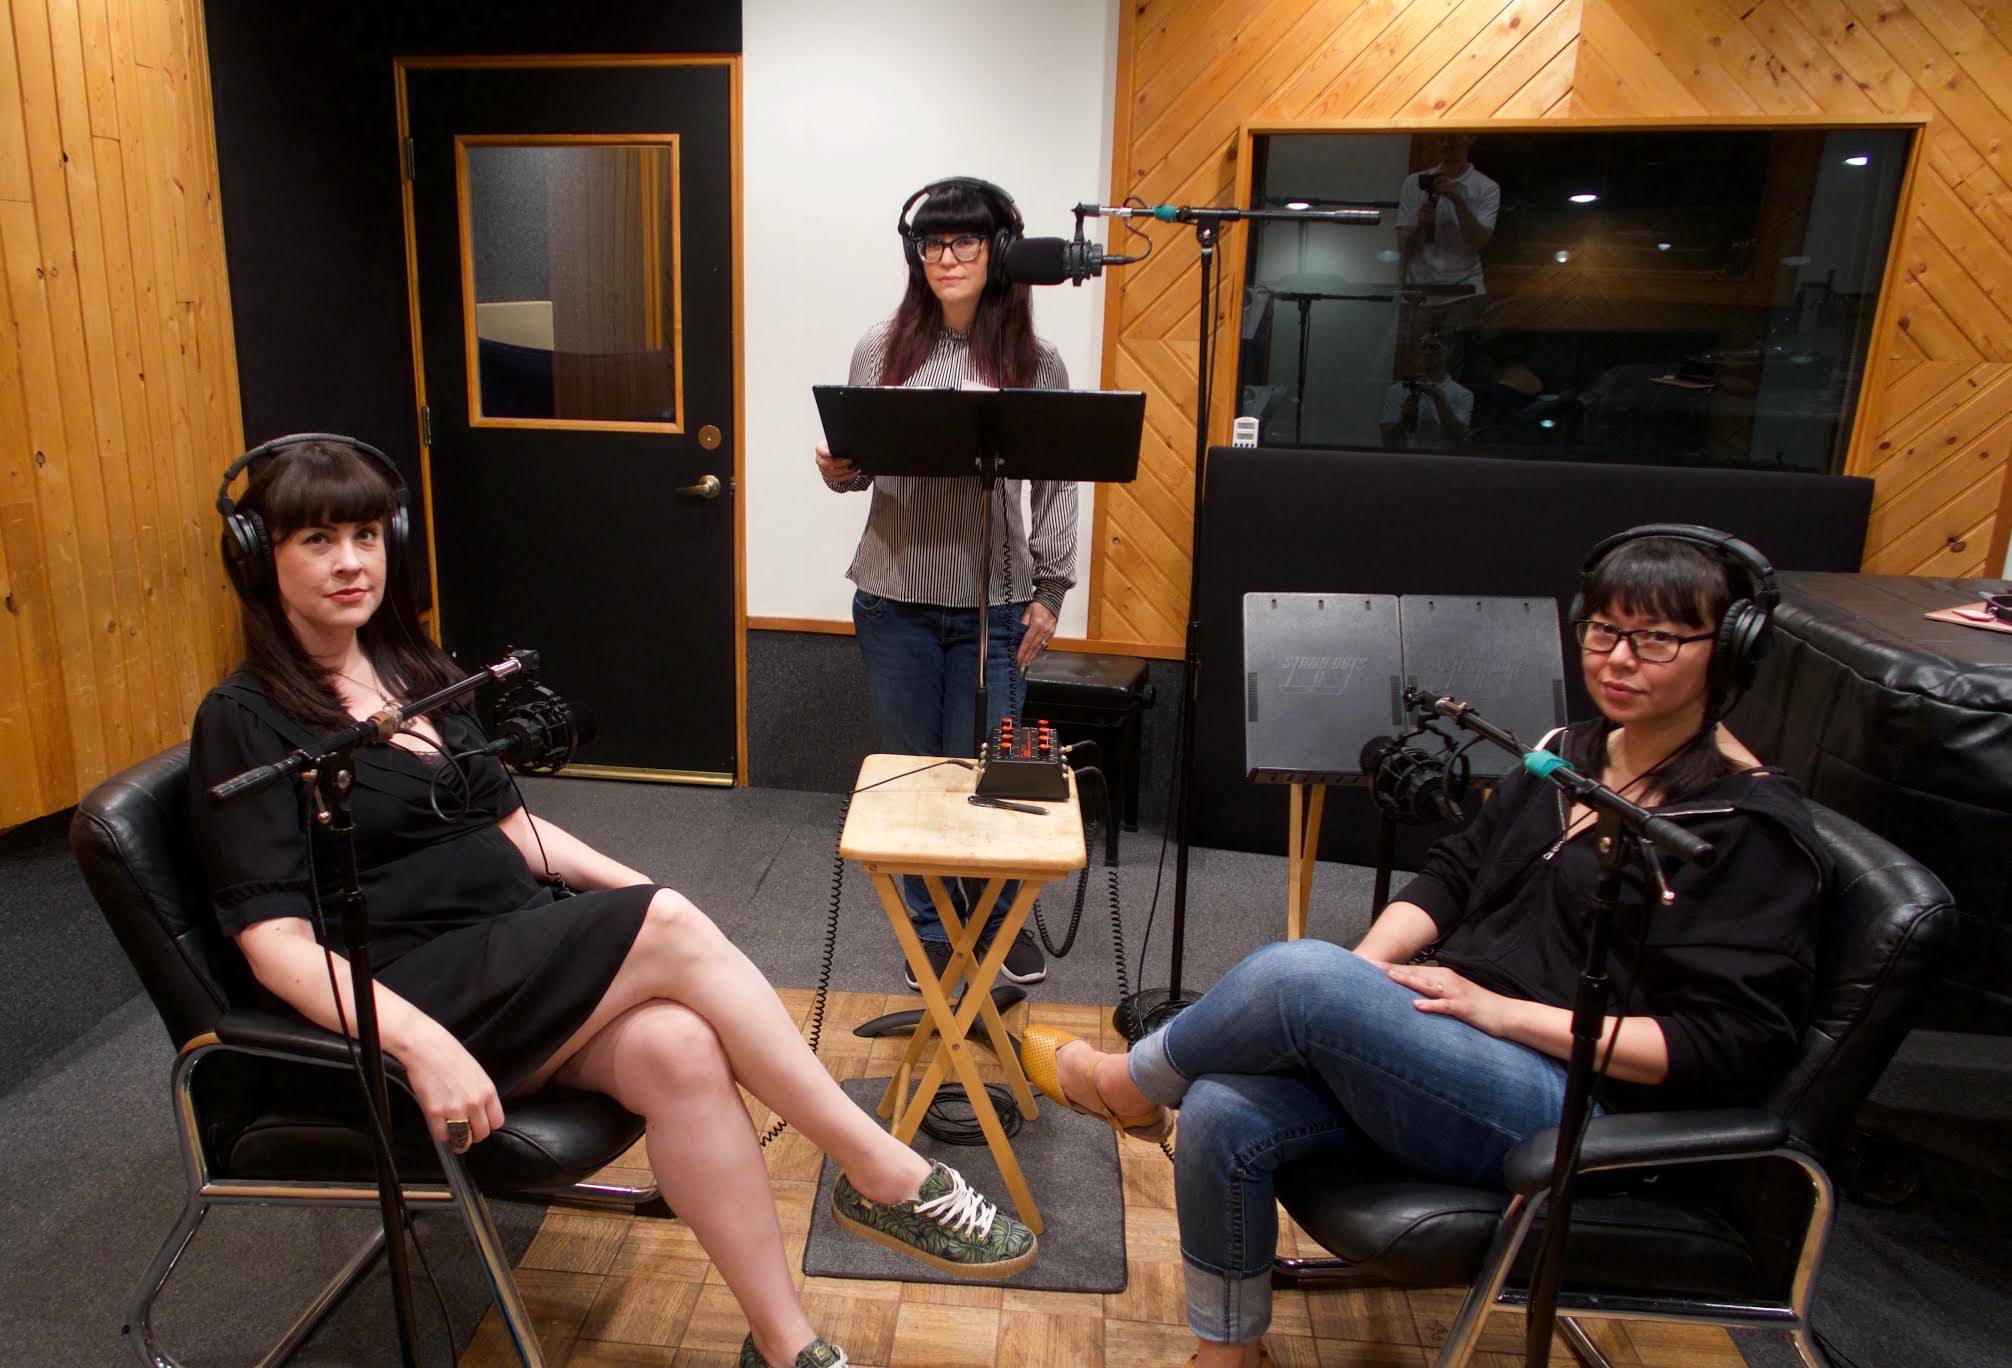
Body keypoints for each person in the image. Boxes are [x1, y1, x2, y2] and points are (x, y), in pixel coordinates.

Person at [189, 436, 1036, 1368]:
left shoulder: (420, 676)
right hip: (407, 989)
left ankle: (784, 1344)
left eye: (364, 534)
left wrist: (647, 901)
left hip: (506, 950)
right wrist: (422, 1046)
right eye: (315, 540)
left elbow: (519, 834)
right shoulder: (245, 722)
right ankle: (875, 1166)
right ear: (256, 557)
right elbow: (276, 946)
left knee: (677, 1042)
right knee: (666, 925)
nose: (351, 562)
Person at [1019, 527, 1821, 1368]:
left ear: (1729, 650)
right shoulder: (1564, 760)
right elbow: (1451, 876)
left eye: (1656, 638)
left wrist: (1494, 1012)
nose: (1619, 657)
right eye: (1604, 630)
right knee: (1223, 1104)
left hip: (1585, 1111)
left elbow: (1721, 1046)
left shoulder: (1742, 830)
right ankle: (1230, 1357)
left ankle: (1122, 1085)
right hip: (1457, 1048)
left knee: (1299, 975)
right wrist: (1353, 998)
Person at [814, 177, 1077, 990]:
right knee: (912, 775)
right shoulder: (880, 346)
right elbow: (858, 471)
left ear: (998, 252)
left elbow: (1061, 479)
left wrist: (1052, 588)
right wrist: (838, 471)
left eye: (966, 241)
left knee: (995, 776)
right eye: (933, 243)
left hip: (995, 606)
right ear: (913, 253)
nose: (947, 258)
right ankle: (930, 930)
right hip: (894, 598)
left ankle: (998, 922)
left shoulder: (1036, 362)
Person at [1395, 130, 1500, 346]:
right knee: (1414, 365)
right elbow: (1403, 246)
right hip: (1419, 294)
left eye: (1455, 136)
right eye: (1442, 136)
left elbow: (1479, 241)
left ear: (1471, 137)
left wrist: (1459, 202)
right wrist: (1420, 225)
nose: (1447, 142)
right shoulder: (1414, 183)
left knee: (1458, 365)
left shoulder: (1486, 188)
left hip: (1464, 293)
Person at [1379, 330, 1473, 449]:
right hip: (1407, 463)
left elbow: (1460, 438)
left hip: (1443, 465)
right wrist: (1403, 421)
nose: (1427, 353)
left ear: (1449, 351)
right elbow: (1387, 442)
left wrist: (1438, 397)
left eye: (1434, 347)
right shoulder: (1398, 390)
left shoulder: (1463, 394)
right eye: (1423, 348)